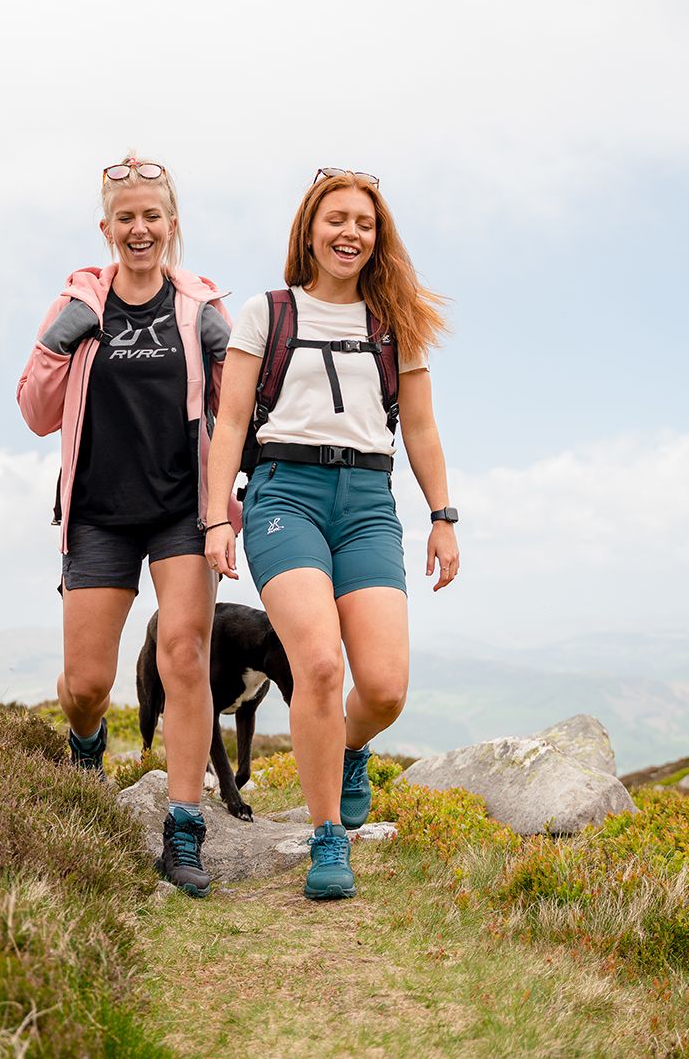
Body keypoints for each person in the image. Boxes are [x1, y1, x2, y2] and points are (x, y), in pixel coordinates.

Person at [204, 167, 459, 901]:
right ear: (309, 230)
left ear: (378, 240)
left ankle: (349, 747)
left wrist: (443, 516)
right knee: (317, 663)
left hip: (369, 502)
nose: (350, 232)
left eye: (365, 223)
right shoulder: (268, 312)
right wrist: (217, 513)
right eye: (336, 219)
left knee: (382, 687)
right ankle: (327, 838)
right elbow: (229, 422)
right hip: (288, 496)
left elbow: (420, 427)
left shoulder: (395, 320)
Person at [16, 155, 236, 898]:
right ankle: (87, 748)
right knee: (85, 684)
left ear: (173, 225)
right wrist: (57, 344)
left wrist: (226, 504)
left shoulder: (203, 309)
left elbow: (239, 417)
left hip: (183, 509)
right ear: (106, 227)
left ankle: (183, 827)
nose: (140, 229)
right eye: (126, 217)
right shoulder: (77, 304)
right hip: (100, 513)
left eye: (153, 216)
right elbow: (37, 413)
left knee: (184, 653)